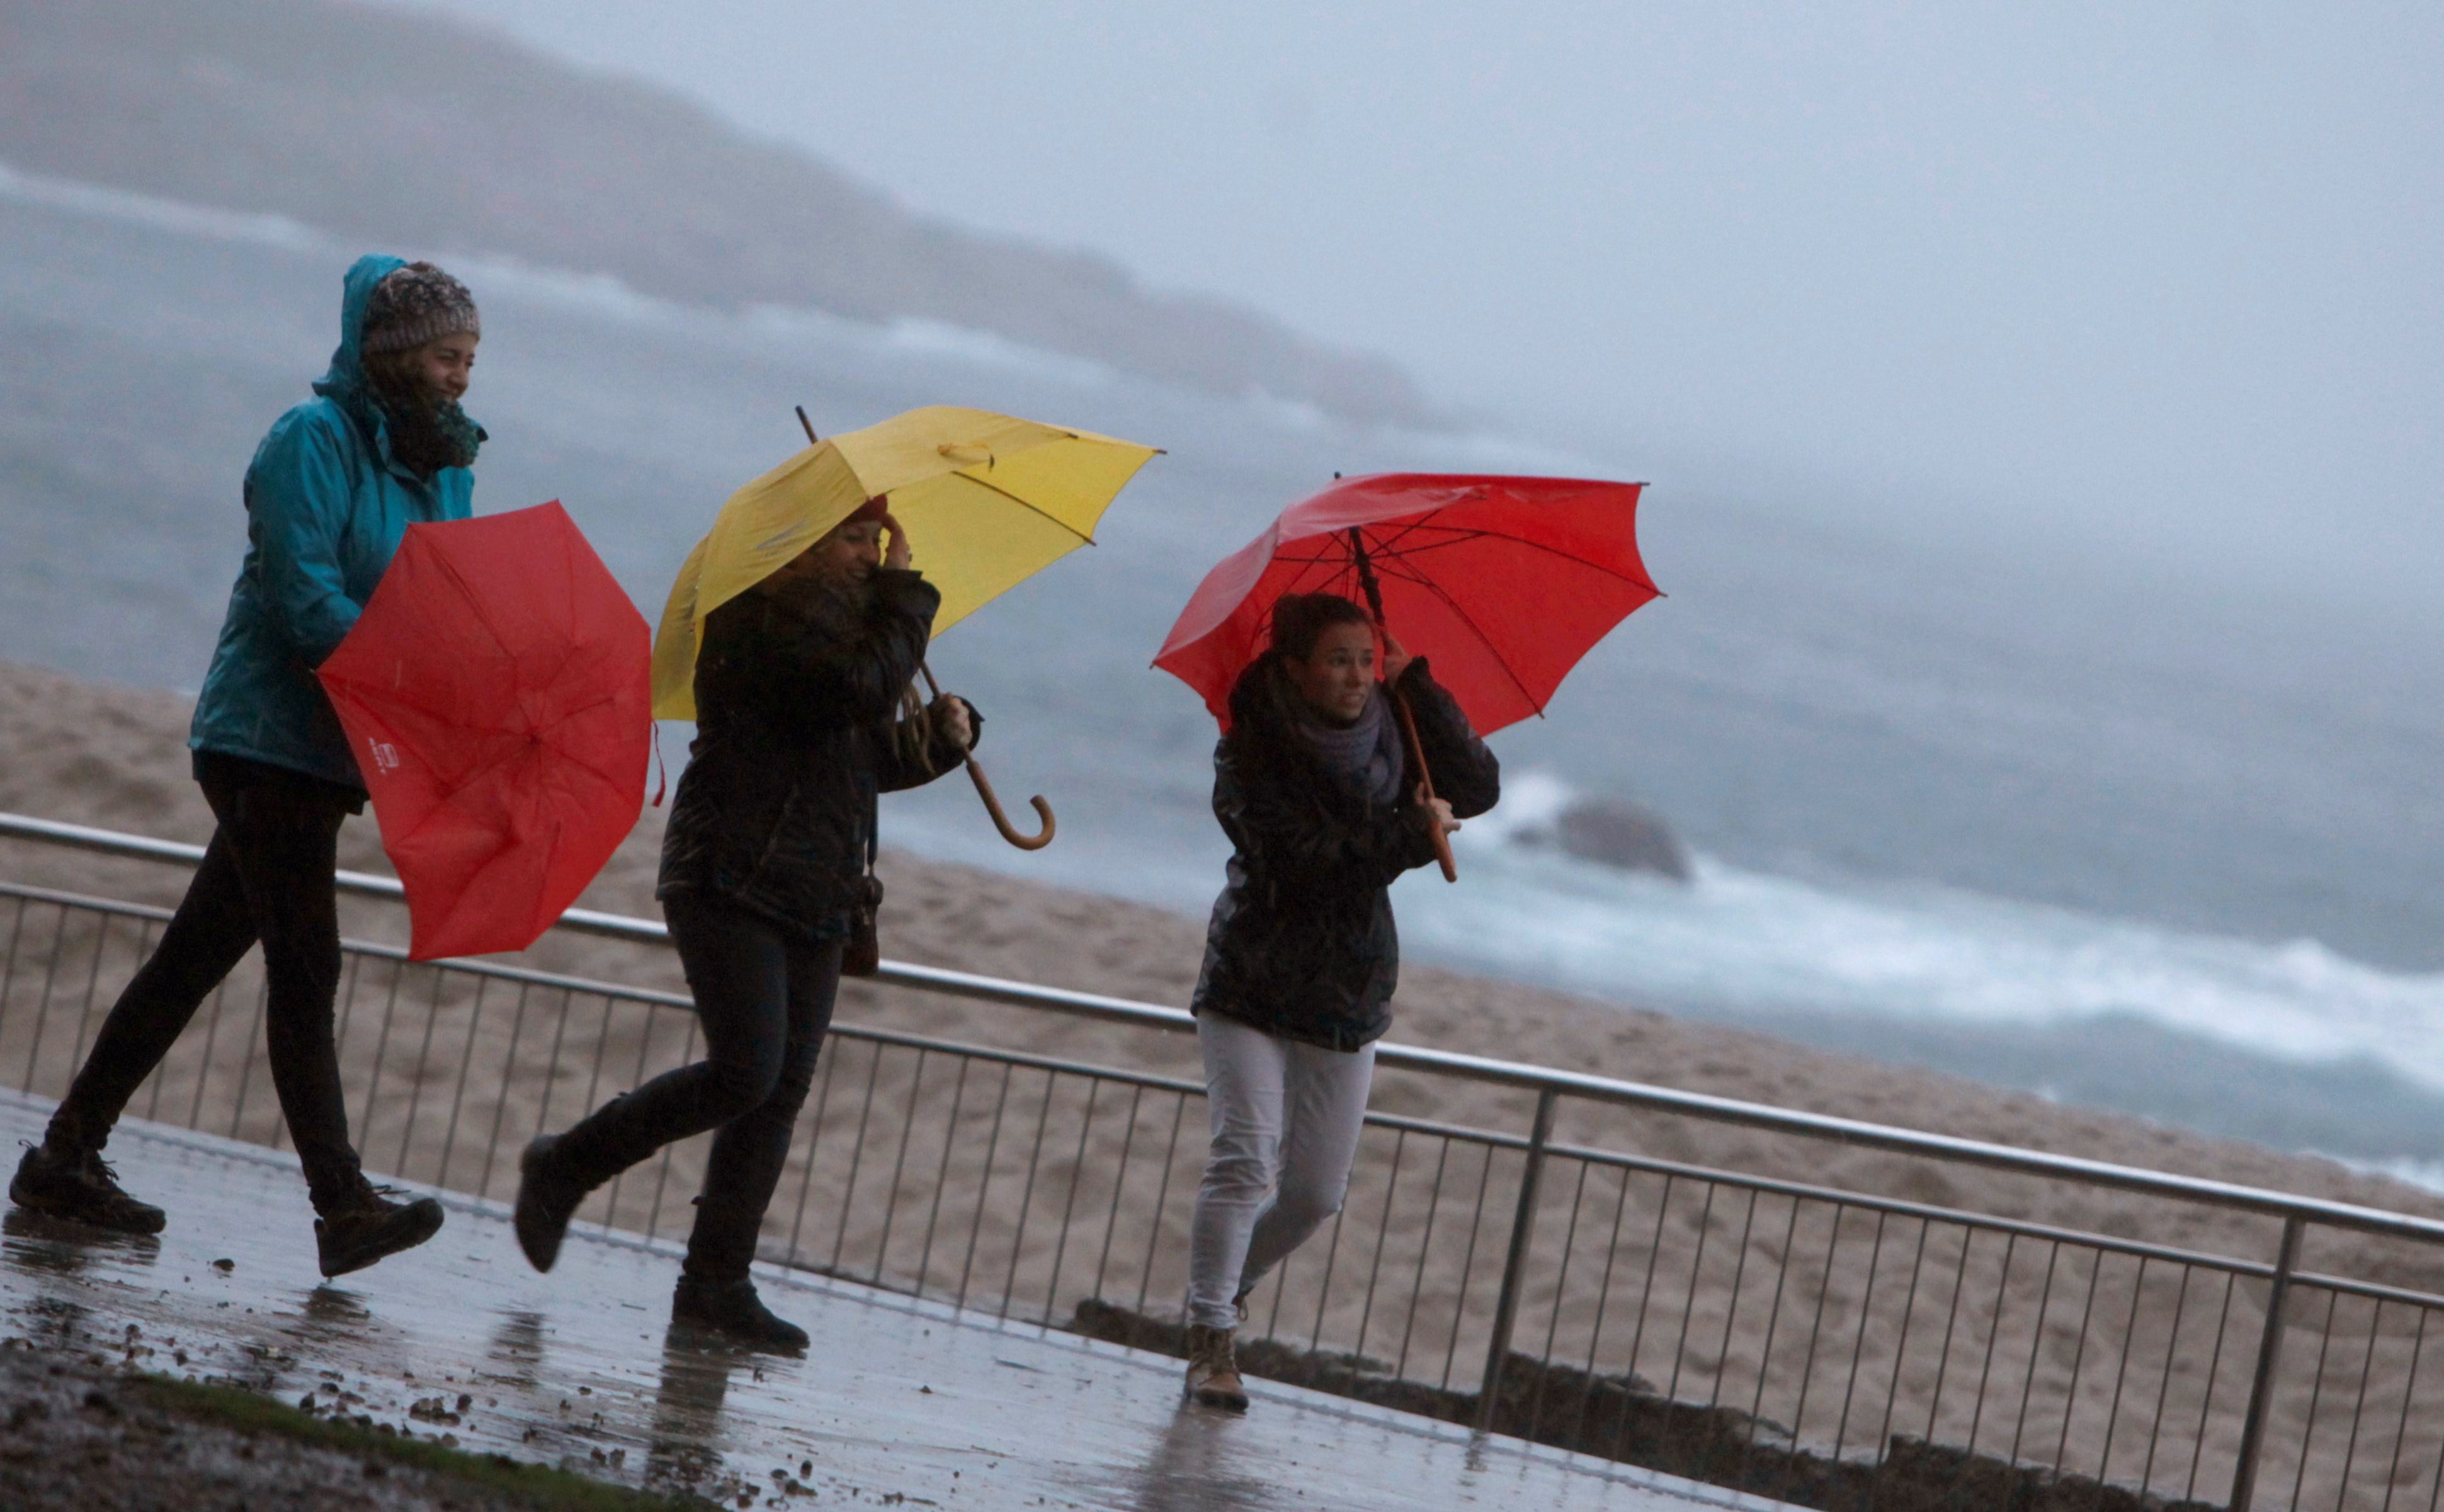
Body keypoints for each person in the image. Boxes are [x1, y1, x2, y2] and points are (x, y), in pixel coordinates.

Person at [9, 256, 486, 1278]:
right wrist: (405, 670)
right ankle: (342, 1205)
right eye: (448, 356)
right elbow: (301, 595)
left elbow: (448, 602)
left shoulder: (446, 466)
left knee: (190, 961)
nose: (462, 377)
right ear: (395, 351)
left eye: (472, 359)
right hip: (263, 737)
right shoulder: (307, 440)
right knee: (307, 966)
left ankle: (64, 1155)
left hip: (340, 753)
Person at [511, 499, 977, 1352]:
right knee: (746, 1070)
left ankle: (715, 1283)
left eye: (874, 538)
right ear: (795, 542)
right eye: (848, 535)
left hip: (819, 884)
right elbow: (844, 689)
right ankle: (567, 1163)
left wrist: (935, 743)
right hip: (731, 870)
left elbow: (852, 761)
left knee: (776, 1094)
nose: (871, 553)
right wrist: (909, 599)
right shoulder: (755, 616)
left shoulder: (853, 630)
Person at [1179, 591, 1499, 1410]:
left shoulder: (1398, 729)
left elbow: (1480, 785)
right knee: (1244, 1158)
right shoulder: (1250, 748)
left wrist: (1416, 682)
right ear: (1295, 668)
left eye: (1367, 657)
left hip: (1348, 985)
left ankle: (1219, 1292)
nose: (1357, 676)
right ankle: (1211, 1334)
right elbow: (1305, 859)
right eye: (1337, 660)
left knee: (1316, 1192)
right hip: (1253, 977)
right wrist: (1408, 837)